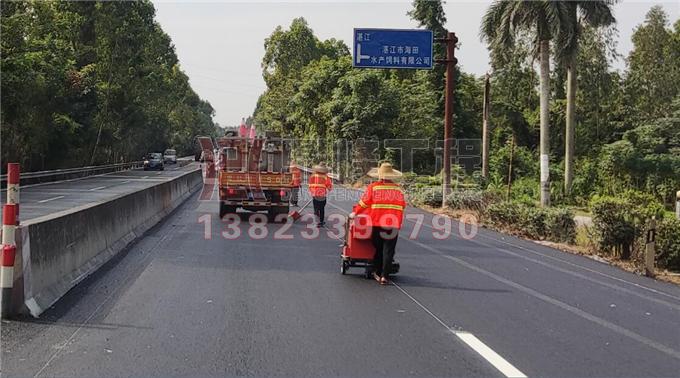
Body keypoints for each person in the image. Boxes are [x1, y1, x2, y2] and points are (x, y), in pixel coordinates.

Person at [350, 163, 405, 285]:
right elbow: (402, 206)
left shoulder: (374, 187)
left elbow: (364, 203)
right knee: (389, 250)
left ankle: (378, 271)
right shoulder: (398, 189)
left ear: (379, 175)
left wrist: (355, 213)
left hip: (377, 223)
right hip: (393, 224)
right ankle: (385, 276)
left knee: (378, 247)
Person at [308, 162, 332, 227]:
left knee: (316, 209)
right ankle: (321, 222)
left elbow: (310, 185)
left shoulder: (312, 176)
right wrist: (328, 189)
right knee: (321, 209)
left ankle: (316, 222)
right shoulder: (326, 177)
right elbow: (329, 187)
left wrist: (311, 191)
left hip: (315, 195)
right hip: (322, 196)